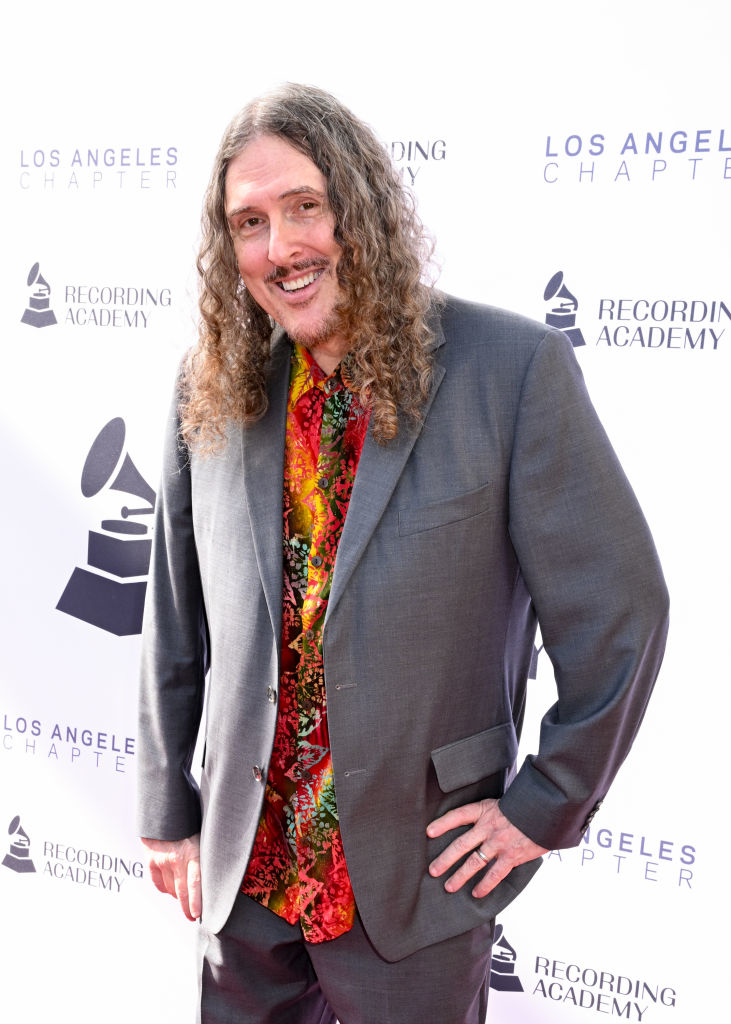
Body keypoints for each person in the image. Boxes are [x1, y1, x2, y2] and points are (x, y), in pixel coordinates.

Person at [137, 83, 669, 1024]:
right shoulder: (209, 383)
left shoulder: (507, 371)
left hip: (415, 882)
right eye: (248, 222)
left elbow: (619, 609)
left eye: (305, 207)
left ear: (361, 203)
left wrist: (546, 802)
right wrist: (167, 810)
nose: (279, 248)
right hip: (244, 878)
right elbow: (173, 619)